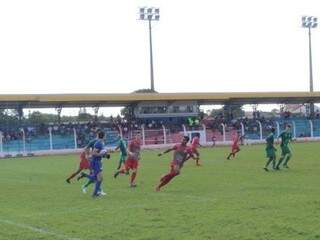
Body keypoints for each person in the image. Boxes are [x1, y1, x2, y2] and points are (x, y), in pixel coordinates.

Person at [78, 131, 110, 197]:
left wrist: (106, 155)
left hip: (98, 161)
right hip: (96, 162)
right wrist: (101, 154)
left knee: (97, 178)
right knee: (99, 178)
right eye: (105, 136)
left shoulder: (101, 143)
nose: (106, 137)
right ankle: (95, 193)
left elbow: (99, 153)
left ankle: (95, 193)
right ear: (103, 136)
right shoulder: (98, 143)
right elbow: (94, 153)